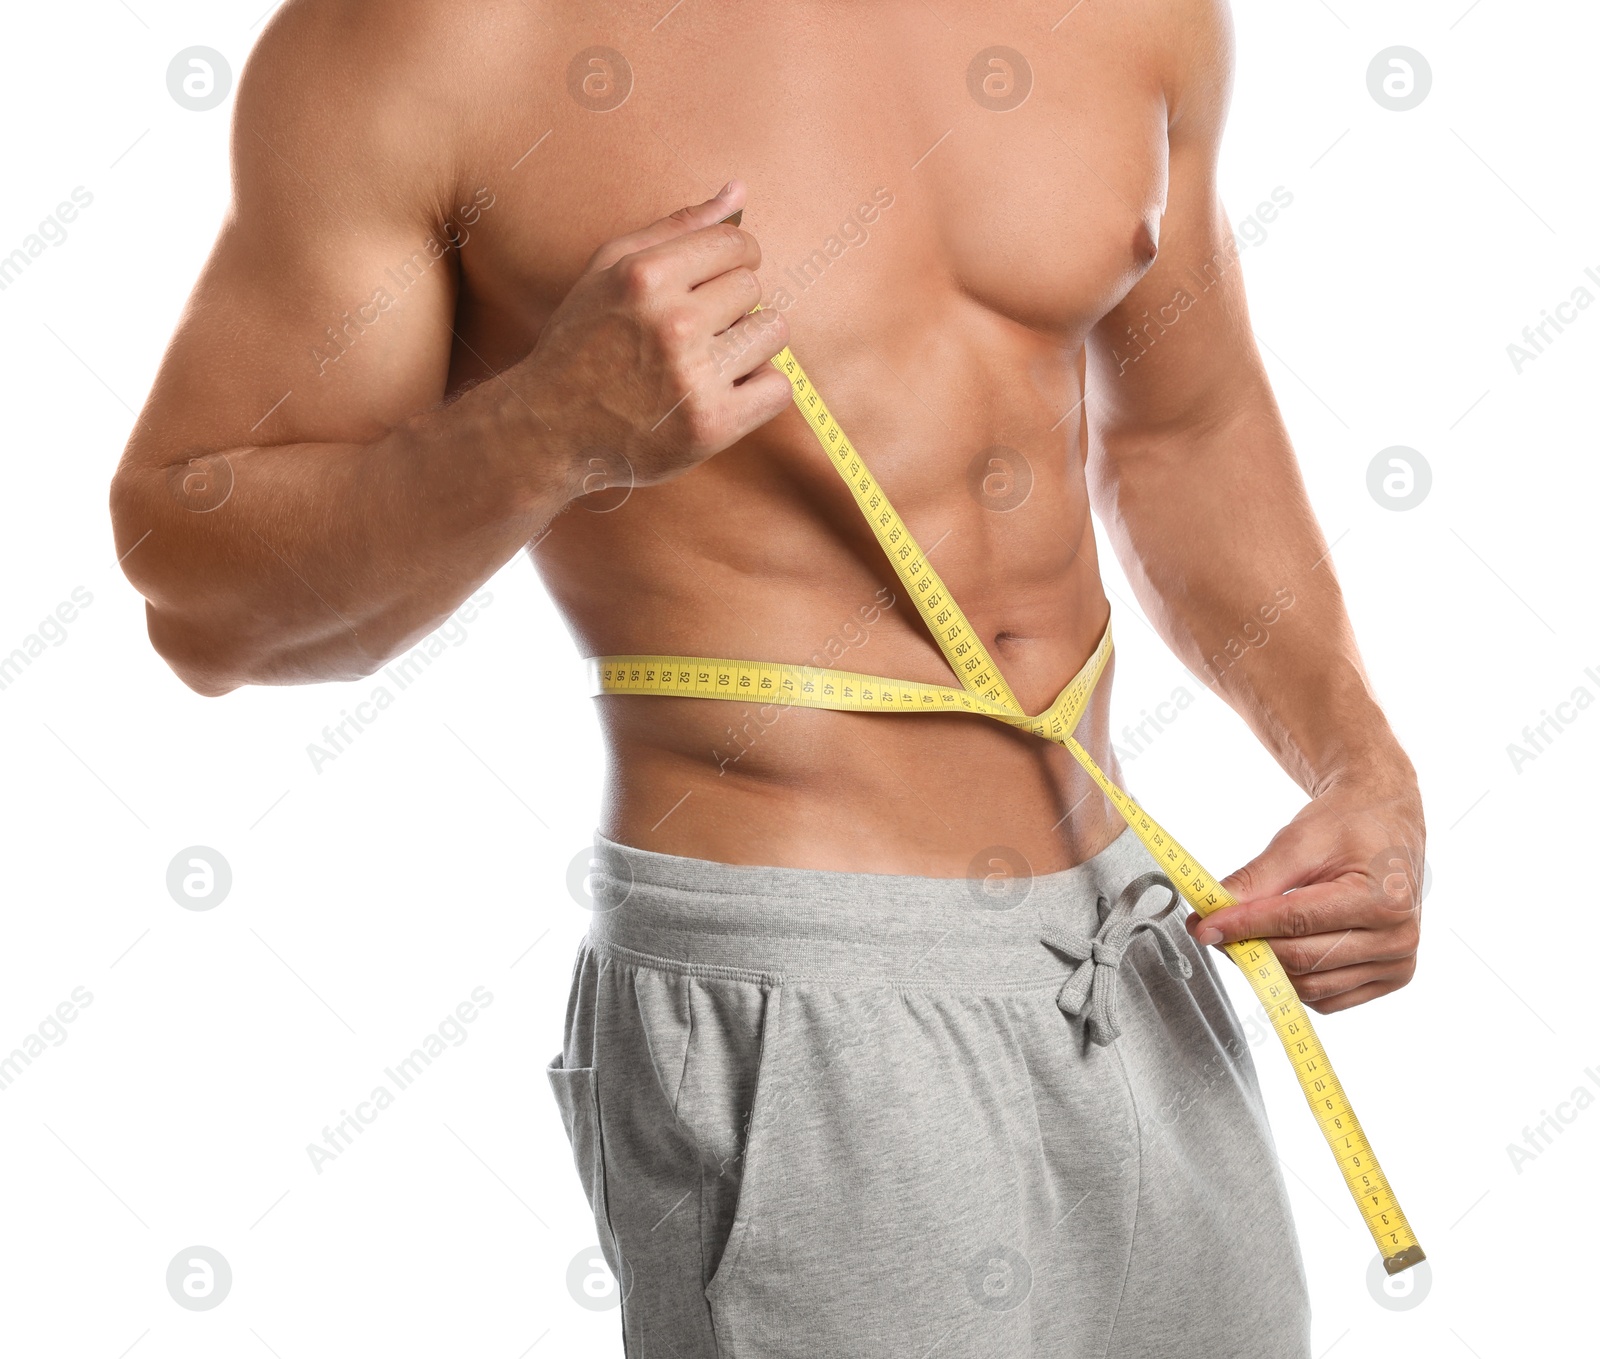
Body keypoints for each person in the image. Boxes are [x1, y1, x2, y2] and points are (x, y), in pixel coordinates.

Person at [110, 2, 1424, 1354]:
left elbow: (1184, 429)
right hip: (803, 994)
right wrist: (538, 433)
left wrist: (1358, 760)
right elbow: (200, 598)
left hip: (1135, 948)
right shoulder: (438, 38)